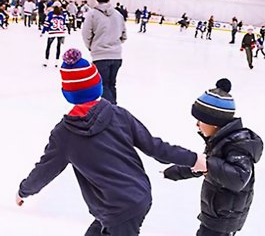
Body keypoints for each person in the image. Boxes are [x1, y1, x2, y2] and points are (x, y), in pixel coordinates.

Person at [16, 48, 205, 236]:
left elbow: (45, 170)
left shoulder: (64, 135)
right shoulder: (118, 114)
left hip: (117, 209)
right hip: (132, 198)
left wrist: (24, 190)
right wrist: (193, 159)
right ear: (97, 85)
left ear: (67, 93)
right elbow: (155, 147)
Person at [162, 78, 263, 236]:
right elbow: (205, 165)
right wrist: (177, 171)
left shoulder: (237, 146)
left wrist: (206, 164)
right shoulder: (222, 140)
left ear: (214, 123)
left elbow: (239, 178)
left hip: (223, 216)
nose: (197, 125)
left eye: (200, 121)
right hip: (218, 213)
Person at [82, 0, 127, 105]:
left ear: (97, 0)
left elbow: (86, 34)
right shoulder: (118, 15)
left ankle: (111, 111)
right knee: (112, 84)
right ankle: (113, 109)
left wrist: (92, 47)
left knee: (103, 85)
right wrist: (115, 44)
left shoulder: (92, 14)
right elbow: (124, 35)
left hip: (100, 55)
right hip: (116, 56)